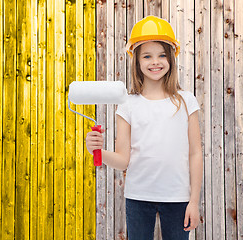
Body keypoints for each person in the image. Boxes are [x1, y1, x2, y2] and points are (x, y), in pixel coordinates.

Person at [86, 15, 203, 240]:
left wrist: (194, 202)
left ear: (171, 59)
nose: (155, 62)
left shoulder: (186, 101)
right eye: (147, 56)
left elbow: (195, 153)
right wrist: (97, 151)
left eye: (161, 55)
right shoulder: (128, 105)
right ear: (137, 61)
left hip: (178, 198)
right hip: (139, 197)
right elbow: (122, 160)